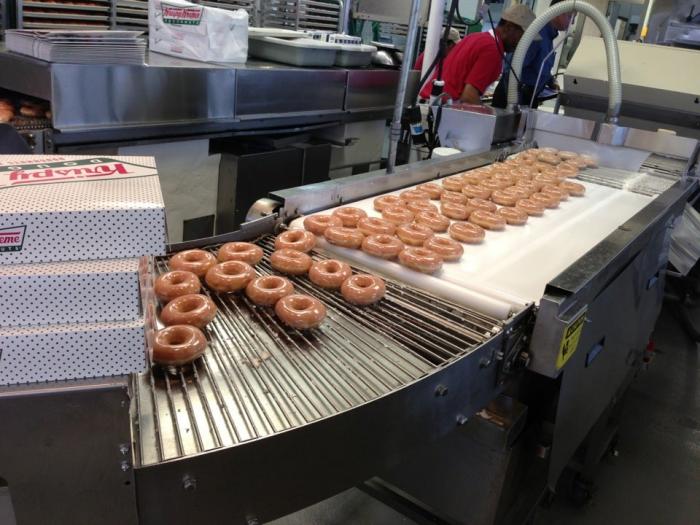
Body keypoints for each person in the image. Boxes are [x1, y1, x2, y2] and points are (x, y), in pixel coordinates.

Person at [419, 4, 536, 104]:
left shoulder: (475, 37)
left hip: (427, 103)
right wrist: (488, 115)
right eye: (523, 36)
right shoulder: (492, 50)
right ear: (509, 27)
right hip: (439, 109)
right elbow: (469, 97)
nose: (524, 43)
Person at [492, 0, 574, 108]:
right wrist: (516, 104)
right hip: (513, 98)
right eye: (570, 17)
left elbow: (538, 66)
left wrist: (550, 81)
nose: (572, 22)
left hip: (527, 98)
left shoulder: (548, 36)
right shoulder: (537, 33)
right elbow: (511, 68)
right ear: (558, 12)